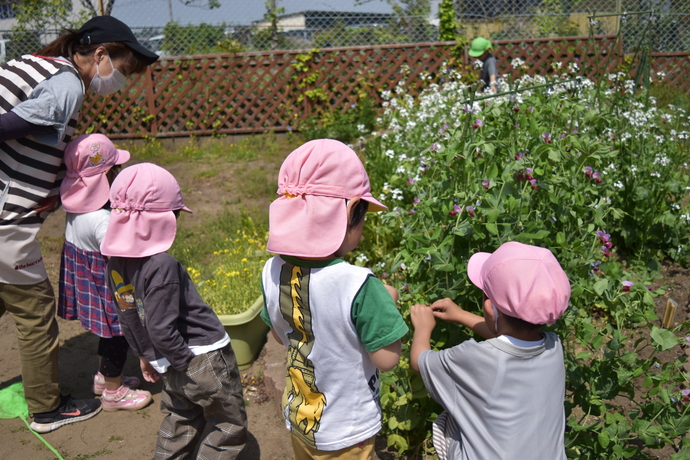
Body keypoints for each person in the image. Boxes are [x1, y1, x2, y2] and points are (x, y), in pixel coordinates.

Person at [0, 15, 158, 433]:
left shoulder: (40, 66)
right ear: (101, 54)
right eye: (122, 70)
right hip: (6, 222)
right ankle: (47, 410)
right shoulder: (68, 82)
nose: (119, 81)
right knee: (35, 314)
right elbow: (18, 124)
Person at [261, 138, 409, 459]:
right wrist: (387, 305)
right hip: (346, 431)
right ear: (352, 210)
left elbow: (278, 333)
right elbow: (387, 359)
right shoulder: (359, 285)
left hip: (303, 418)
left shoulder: (271, 271)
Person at [101, 163, 247, 459]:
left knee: (180, 418)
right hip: (198, 356)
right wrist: (184, 363)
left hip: (165, 358)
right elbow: (159, 327)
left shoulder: (115, 264)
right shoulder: (162, 266)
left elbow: (128, 318)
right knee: (228, 424)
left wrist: (146, 355)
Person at [410, 241, 570, 459]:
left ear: (489, 307)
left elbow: (420, 361)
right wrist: (460, 315)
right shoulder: (554, 346)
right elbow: (509, 341)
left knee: (449, 420)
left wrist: (423, 327)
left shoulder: (473, 357)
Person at [57, 133, 152, 412]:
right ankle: (114, 391)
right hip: (109, 288)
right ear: (106, 176)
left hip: (88, 286)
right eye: (115, 170)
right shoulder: (103, 220)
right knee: (117, 336)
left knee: (106, 332)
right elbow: (122, 258)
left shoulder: (76, 210)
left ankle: (103, 378)